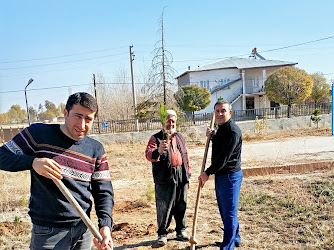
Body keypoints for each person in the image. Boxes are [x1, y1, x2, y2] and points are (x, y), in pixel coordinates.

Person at [0, 92, 114, 250]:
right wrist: (33, 162)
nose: (82, 125)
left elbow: (104, 192)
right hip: (49, 233)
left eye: (88, 119)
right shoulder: (39, 134)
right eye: (77, 116)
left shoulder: (95, 149)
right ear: (65, 113)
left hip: (84, 230)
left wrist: (105, 227)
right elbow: (2, 156)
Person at [198, 100, 243, 250]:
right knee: (225, 211)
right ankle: (235, 238)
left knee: (229, 212)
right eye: (217, 111)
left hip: (230, 176)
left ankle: (227, 247)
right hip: (221, 175)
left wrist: (207, 173)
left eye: (223, 111)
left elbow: (223, 158)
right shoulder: (222, 128)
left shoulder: (233, 131)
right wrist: (212, 135)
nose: (219, 114)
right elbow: (220, 141)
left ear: (230, 113)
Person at [145, 109, 191, 246]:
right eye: (168, 120)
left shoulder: (180, 137)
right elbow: (148, 155)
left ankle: (181, 231)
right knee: (164, 206)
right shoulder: (156, 138)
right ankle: (162, 234)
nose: (170, 123)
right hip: (164, 177)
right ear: (163, 122)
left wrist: (187, 175)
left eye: (173, 121)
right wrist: (158, 150)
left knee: (181, 204)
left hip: (181, 175)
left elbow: (186, 156)